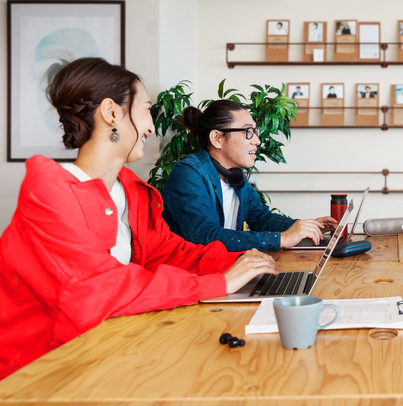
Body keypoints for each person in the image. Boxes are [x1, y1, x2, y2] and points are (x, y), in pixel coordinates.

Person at [0, 58, 278, 380]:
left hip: (111, 352)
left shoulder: (131, 191)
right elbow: (99, 289)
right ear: (112, 113)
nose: (150, 126)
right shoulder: (49, 193)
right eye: (146, 110)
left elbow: (173, 252)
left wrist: (243, 262)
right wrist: (220, 283)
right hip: (41, 373)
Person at [162, 100, 336, 252]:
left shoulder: (234, 178)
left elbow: (262, 219)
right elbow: (206, 237)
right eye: (247, 132)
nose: (257, 141)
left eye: (255, 131)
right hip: (193, 280)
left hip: (225, 271)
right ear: (217, 139)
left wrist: (306, 227)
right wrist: (280, 239)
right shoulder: (188, 175)